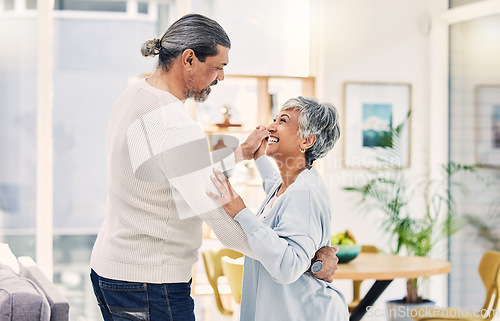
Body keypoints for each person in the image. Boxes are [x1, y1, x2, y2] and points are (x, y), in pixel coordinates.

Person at [89, 13, 338, 321]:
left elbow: (166, 169)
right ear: (189, 59)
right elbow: (225, 228)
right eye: (218, 67)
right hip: (150, 281)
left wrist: (242, 154)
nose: (221, 78)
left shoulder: (136, 96)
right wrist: (302, 260)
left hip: (111, 270)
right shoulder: (175, 124)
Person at [208, 96, 348, 321]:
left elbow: (288, 267)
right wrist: (257, 156)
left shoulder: (305, 192)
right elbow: (273, 185)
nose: (270, 126)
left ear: (306, 141)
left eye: (283, 121)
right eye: (275, 119)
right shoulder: (289, 184)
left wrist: (241, 212)